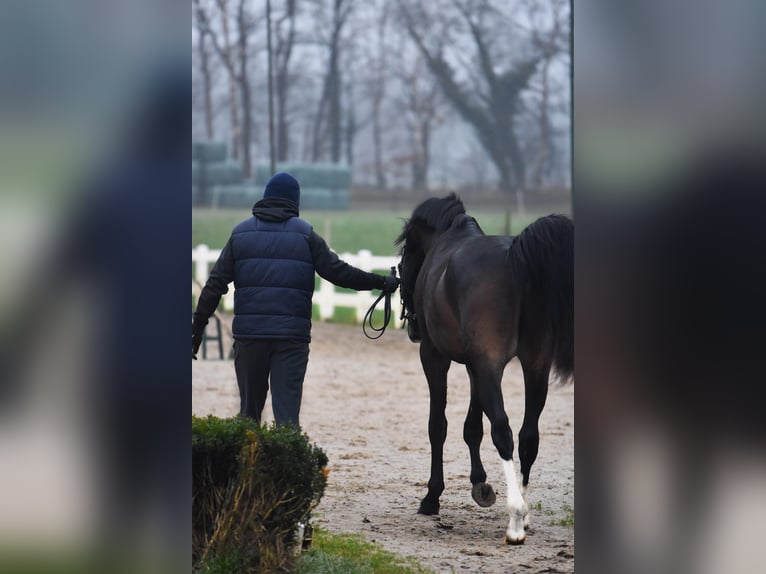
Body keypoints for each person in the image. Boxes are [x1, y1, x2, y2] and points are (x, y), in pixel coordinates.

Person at [192, 172, 399, 427]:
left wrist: (197, 328)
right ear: (295, 201)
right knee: (287, 419)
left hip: (250, 337)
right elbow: (339, 273)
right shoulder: (306, 235)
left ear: (265, 197)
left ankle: (250, 464)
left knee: (248, 416)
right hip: (291, 338)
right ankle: (286, 465)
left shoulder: (240, 234)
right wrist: (381, 283)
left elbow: (214, 285)